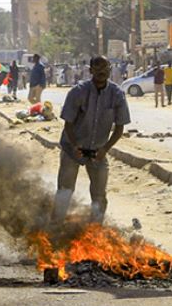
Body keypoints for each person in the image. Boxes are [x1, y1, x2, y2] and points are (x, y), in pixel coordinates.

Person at [53, 56, 131, 223]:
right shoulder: (78, 92)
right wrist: (75, 146)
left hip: (98, 151)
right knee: (65, 191)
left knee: (99, 195)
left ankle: (96, 232)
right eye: (97, 68)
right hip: (72, 149)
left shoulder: (117, 94)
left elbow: (119, 128)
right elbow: (68, 124)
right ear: (91, 71)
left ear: (110, 69)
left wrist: (105, 149)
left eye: (105, 67)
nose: (102, 71)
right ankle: (56, 227)